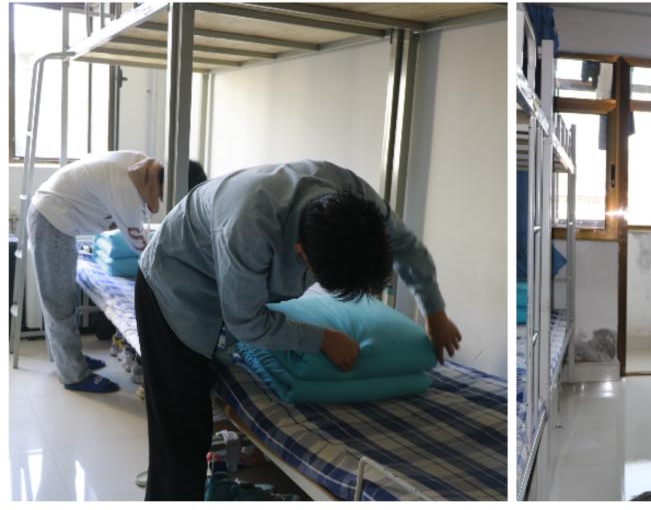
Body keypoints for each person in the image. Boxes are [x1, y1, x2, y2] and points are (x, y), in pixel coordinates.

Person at [135, 160, 462, 501]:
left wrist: (434, 310)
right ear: (300, 251)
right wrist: (321, 339)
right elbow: (245, 321)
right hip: (174, 289)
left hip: (226, 283)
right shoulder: (249, 227)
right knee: (183, 437)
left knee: (190, 428)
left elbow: (406, 247)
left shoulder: (357, 202)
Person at [26, 151, 205, 394]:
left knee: (62, 299)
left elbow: (135, 227)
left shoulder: (144, 168)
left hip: (56, 216)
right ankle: (74, 375)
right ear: (171, 185)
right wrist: (172, 277)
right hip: (51, 219)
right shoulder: (127, 190)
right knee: (59, 302)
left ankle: (66, 359)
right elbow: (142, 248)